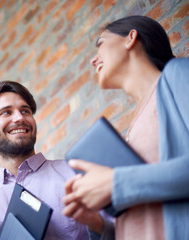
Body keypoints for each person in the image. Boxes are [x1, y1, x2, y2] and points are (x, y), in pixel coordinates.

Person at [62, 15, 189, 240]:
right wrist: (101, 225)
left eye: (100, 44)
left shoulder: (180, 73)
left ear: (130, 38)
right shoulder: (134, 127)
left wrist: (115, 183)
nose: (93, 60)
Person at [0, 80, 112, 239]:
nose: (19, 118)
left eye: (25, 111)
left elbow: (125, 230)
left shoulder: (75, 173)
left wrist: (97, 225)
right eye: (6, 112)